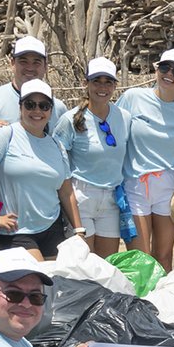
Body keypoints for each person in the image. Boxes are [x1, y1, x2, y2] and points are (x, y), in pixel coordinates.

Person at [0, 78, 82, 260]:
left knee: (54, 285)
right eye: (30, 104)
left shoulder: (56, 145)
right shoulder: (5, 135)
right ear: (20, 107)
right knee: (36, 278)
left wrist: (79, 230)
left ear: (51, 110)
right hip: (15, 231)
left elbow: (66, 191)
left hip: (51, 228)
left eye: (44, 105)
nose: (37, 111)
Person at [116, 49, 174, 270]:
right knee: (141, 258)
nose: (170, 74)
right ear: (156, 69)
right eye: (165, 67)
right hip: (134, 183)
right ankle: (142, 302)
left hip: (167, 187)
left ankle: (163, 303)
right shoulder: (133, 97)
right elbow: (111, 125)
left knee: (164, 256)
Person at [53, 57, 131, 258]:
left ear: (115, 85)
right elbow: (58, 160)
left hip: (111, 199)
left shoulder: (124, 117)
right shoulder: (70, 119)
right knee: (83, 264)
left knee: (106, 264)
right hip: (81, 197)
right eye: (96, 81)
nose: (102, 87)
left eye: (108, 82)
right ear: (86, 83)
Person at [0, 36, 68, 135]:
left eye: (36, 62)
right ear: (12, 63)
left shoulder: (58, 109)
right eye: (23, 62)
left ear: (45, 67)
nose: (30, 68)